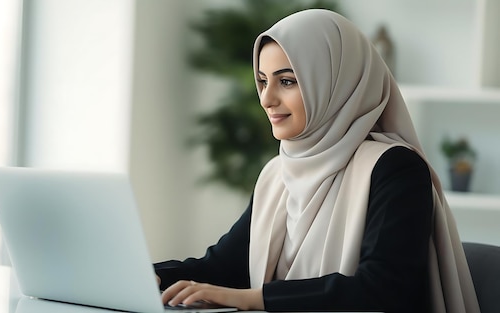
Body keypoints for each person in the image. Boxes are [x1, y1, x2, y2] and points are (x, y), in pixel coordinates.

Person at [154, 9, 481, 313]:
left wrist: (253, 299)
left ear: (335, 84)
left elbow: (383, 289)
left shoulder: (396, 168)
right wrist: (149, 275)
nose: (267, 99)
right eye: (263, 81)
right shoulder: (277, 175)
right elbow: (222, 267)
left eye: (286, 81)